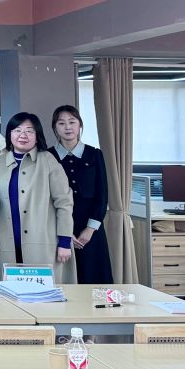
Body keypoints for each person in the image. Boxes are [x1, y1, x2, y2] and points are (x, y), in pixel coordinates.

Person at [0, 112, 76, 283]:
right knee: (9, 294)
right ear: (9, 134)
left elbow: (64, 203)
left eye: (29, 131)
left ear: (37, 135)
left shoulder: (48, 160)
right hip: (5, 243)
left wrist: (64, 241)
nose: (23, 135)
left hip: (43, 243)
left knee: (43, 294)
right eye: (17, 130)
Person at [49, 104, 114, 284]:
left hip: (91, 230)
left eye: (72, 122)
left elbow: (102, 195)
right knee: (63, 282)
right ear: (55, 127)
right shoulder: (48, 156)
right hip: (58, 231)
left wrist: (90, 229)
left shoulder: (95, 154)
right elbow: (45, 200)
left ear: (80, 125)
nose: (67, 127)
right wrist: (64, 233)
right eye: (61, 123)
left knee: (94, 280)